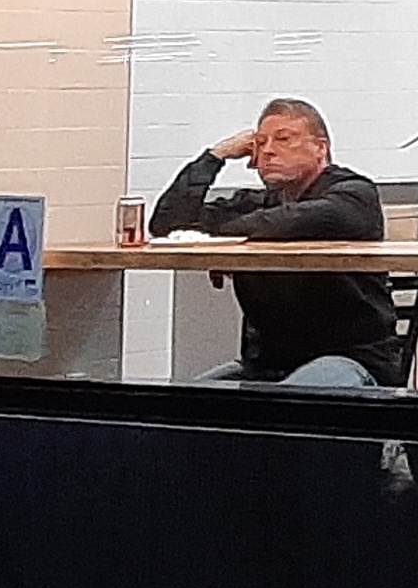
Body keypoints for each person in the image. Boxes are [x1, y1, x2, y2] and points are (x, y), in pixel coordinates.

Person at [152, 96, 397, 386]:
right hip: (268, 365)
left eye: (283, 139)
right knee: (180, 402)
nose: (267, 150)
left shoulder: (353, 194)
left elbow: (296, 220)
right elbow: (167, 224)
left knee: (286, 399)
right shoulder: (259, 203)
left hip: (350, 358)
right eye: (259, 142)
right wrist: (216, 156)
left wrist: (221, 236)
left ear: (320, 148)